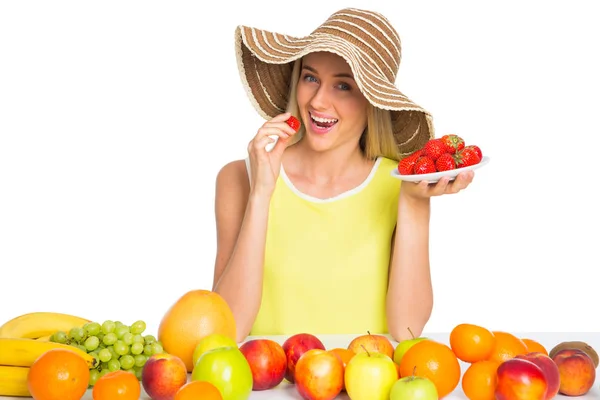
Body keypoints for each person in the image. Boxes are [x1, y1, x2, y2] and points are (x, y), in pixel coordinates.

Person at [211, 8, 475, 343]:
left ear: (373, 101)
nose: (319, 101)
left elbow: (407, 329)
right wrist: (261, 193)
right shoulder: (238, 179)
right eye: (310, 78)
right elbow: (227, 328)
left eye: (343, 86)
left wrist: (413, 203)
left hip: (362, 387)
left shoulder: (398, 186)